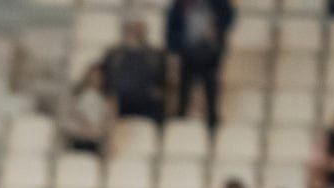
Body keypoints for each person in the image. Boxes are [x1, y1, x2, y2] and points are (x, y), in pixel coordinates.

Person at [165, 0, 234, 130]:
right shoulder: (180, 4)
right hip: (187, 52)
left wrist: (218, 30)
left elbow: (229, 16)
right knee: (184, 86)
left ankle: (212, 119)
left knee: (211, 84)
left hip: (210, 53)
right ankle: (181, 116)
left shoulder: (217, 3)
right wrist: (174, 49)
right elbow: (172, 26)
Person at [100, 19, 166, 123]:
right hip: (120, 102)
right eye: (133, 30)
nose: (137, 33)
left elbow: (162, 80)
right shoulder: (114, 54)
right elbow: (105, 77)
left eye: (140, 30)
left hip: (147, 103)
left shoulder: (155, 55)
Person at [59, 65, 115, 154]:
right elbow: (65, 122)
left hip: (97, 143)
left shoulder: (107, 101)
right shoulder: (75, 98)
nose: (96, 80)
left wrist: (98, 129)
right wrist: (84, 128)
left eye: (99, 78)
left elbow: (108, 124)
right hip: (77, 140)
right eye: (93, 77)